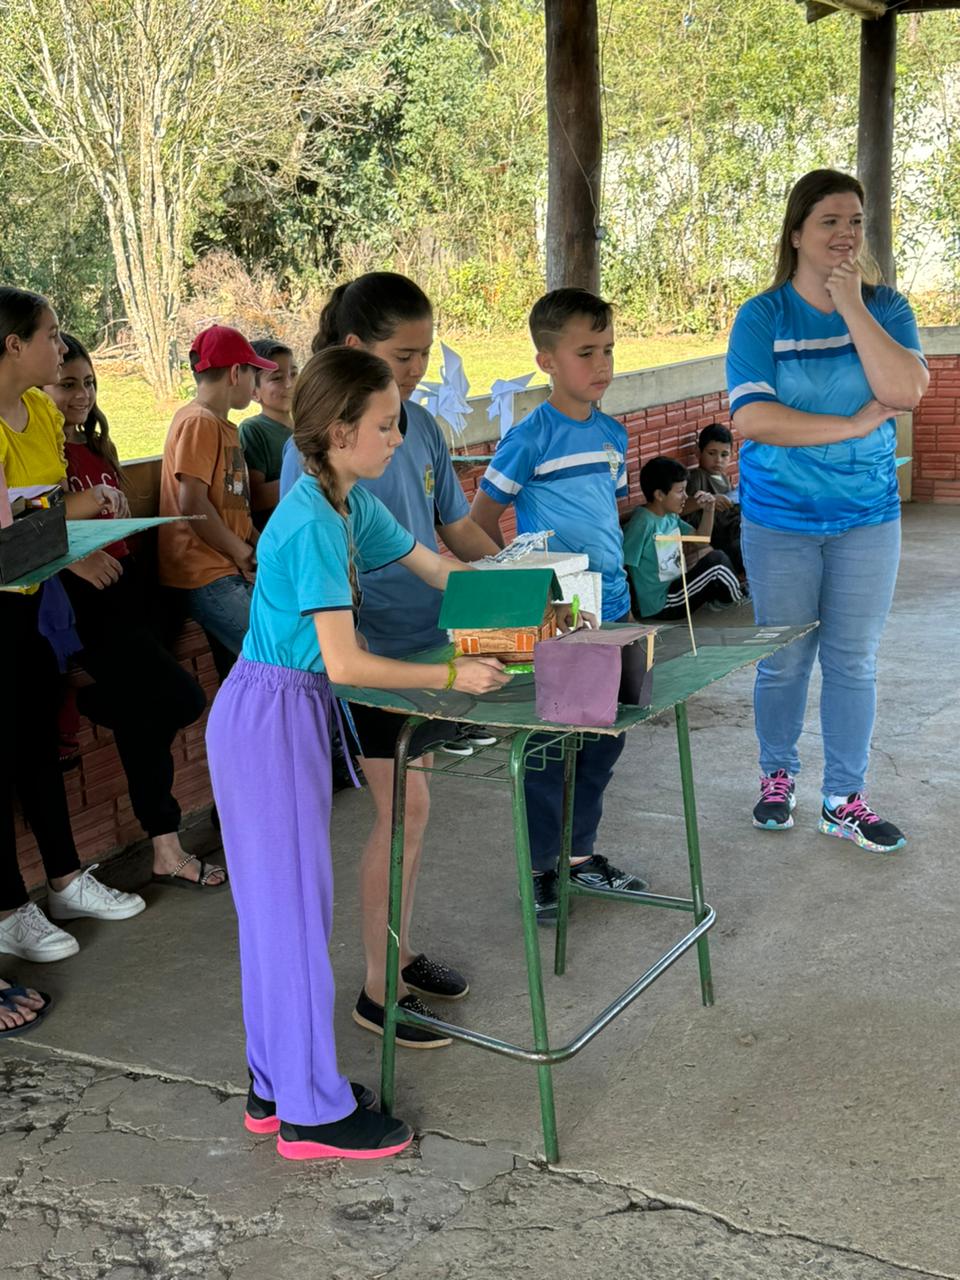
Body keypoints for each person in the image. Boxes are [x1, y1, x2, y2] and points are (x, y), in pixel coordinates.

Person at [205, 344, 509, 1159]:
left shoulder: (348, 503)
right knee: (292, 920)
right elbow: (343, 662)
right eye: (385, 424)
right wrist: (451, 670)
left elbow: (438, 568)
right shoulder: (308, 520)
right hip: (268, 717)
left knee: (284, 915)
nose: (397, 435)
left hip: (293, 714)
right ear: (339, 432)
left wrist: (535, 599)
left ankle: (276, 1088)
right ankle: (312, 1114)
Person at [280, 272, 502, 1047]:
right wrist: (448, 673)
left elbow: (444, 552)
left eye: (423, 356)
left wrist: (520, 596)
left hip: (422, 644)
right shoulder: (314, 483)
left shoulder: (401, 445)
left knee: (412, 813)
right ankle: (377, 993)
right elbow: (335, 637)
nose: (413, 377)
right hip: (367, 664)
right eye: (401, 358)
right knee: (399, 815)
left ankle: (393, 963)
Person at [726, 168, 928, 852]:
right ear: (796, 235)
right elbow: (753, 418)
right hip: (780, 519)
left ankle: (844, 799)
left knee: (853, 660)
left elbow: (904, 391)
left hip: (867, 518)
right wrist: (849, 425)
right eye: (829, 223)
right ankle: (777, 775)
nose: (845, 235)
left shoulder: (886, 308)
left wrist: (853, 310)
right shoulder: (762, 316)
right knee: (784, 658)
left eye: (854, 222)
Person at [470, 286, 648, 924]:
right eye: (584, 353)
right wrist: (525, 588)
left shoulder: (612, 434)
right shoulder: (529, 437)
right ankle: (541, 868)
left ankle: (579, 857)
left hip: (615, 607)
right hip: (559, 616)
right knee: (551, 745)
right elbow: (482, 516)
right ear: (547, 361)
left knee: (605, 735)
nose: (601, 365)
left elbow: (609, 514)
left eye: (608, 350)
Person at [43, 334, 224, 890]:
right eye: (68, 384)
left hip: (127, 589)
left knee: (144, 719)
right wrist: (78, 559)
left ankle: (165, 848)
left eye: (89, 383)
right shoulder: (41, 451)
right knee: (182, 698)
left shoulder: (95, 448)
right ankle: (99, 700)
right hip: (88, 600)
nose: (82, 395)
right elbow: (29, 529)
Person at [0, 287, 145, 965]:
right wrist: (80, 512)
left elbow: (46, 509)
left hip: (29, 603)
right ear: (13, 346)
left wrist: (82, 512)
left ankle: (63, 879)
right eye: (52, 337)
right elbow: (11, 536)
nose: (61, 350)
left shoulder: (37, 409)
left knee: (35, 746)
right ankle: (8, 909)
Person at [158, 325, 275, 658]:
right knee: (276, 653)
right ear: (236, 373)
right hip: (204, 574)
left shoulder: (223, 427)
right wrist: (240, 551)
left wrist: (256, 543)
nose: (256, 386)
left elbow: (231, 505)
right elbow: (192, 502)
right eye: (255, 375)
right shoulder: (200, 422)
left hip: (224, 566)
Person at [625, 455, 743, 620]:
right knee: (717, 564)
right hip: (661, 603)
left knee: (714, 558)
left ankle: (730, 599)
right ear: (659, 494)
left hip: (676, 587)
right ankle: (739, 603)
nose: (686, 497)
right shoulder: (643, 522)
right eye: (680, 491)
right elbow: (624, 564)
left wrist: (709, 509)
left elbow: (701, 541)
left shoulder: (669, 516)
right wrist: (631, 612)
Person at [238, 339, 297, 529]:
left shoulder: (307, 426)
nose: (289, 384)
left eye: (294, 374)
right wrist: (307, 476)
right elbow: (254, 498)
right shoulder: (254, 431)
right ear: (254, 392)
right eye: (277, 378)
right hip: (279, 535)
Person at [683, 423, 743, 575]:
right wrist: (709, 500)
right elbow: (682, 507)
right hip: (719, 537)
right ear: (698, 452)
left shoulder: (724, 478)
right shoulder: (697, 476)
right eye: (712, 453)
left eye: (724, 455)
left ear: (732, 455)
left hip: (735, 529)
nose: (718, 460)